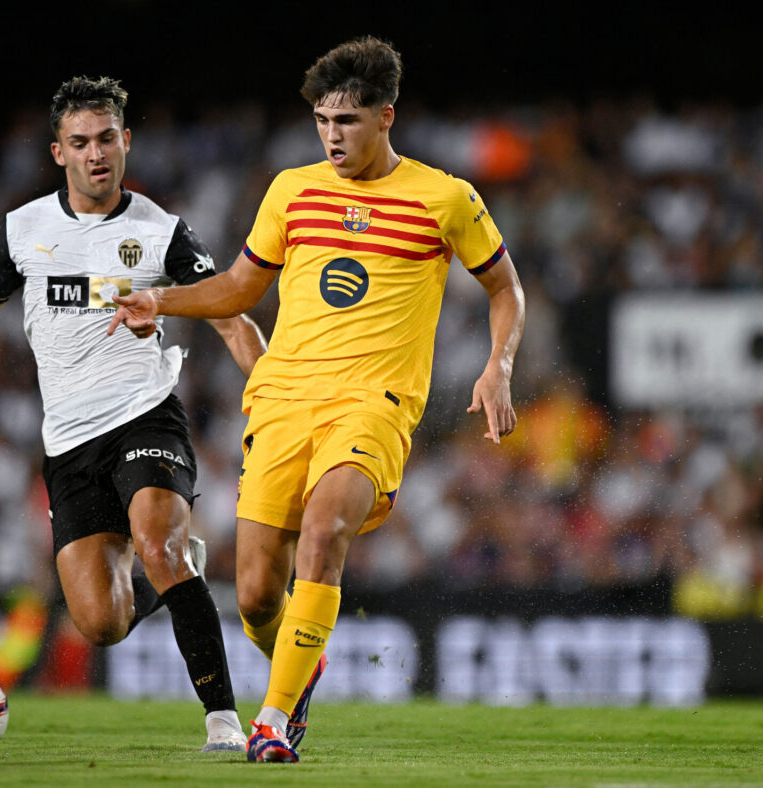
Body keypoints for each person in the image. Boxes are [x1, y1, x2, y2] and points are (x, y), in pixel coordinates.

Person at [110, 37, 526, 762]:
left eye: (349, 122)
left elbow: (505, 289)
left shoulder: (445, 198)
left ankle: (271, 720)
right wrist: (164, 301)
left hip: (375, 404)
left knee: (327, 529)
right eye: (323, 122)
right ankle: (301, 670)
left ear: (386, 117)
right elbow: (242, 289)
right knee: (256, 596)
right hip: (282, 399)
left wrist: (499, 366)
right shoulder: (291, 191)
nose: (333, 136)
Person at [0, 75, 267, 752]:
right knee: (101, 621)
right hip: (69, 443)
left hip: (145, 415)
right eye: (80, 142)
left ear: (125, 141)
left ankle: (223, 718)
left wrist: (275, 389)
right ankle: (178, 575)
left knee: (156, 546)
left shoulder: (160, 232)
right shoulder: (22, 230)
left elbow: (229, 314)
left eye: (107, 138)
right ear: (58, 153)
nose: (96, 153)